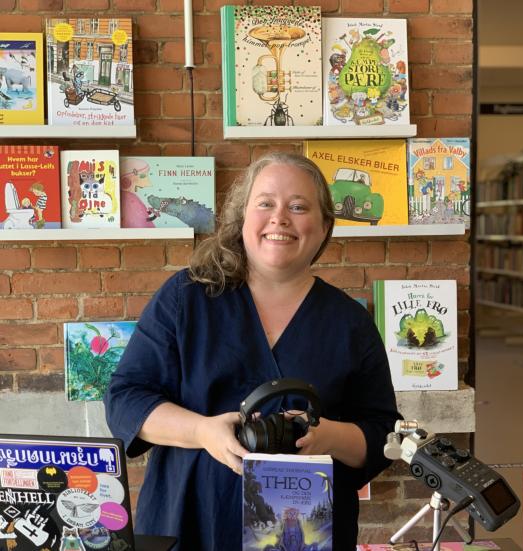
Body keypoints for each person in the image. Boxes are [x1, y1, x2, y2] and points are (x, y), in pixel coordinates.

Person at [104, 152, 400, 551]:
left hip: (305, 536)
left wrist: (329, 436)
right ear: (242, 216)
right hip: (191, 525)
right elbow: (125, 400)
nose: (280, 218)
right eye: (266, 204)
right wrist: (202, 431)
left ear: (324, 226)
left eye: (298, 207)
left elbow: (383, 434)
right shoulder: (186, 297)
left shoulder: (352, 323)